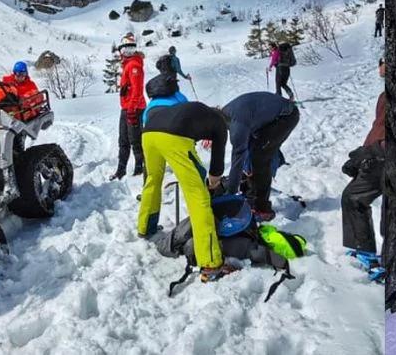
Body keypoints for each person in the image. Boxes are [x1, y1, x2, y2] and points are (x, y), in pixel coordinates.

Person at [137, 101, 237, 282]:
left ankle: (145, 227)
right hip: (174, 135)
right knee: (199, 198)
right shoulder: (220, 124)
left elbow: (194, 160)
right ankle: (211, 262)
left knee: (153, 180)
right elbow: (217, 165)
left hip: (149, 133)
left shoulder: (196, 111)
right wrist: (212, 184)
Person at [220, 92, 300, 221]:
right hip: (270, 116)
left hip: (286, 117)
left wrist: (230, 194)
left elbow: (238, 157)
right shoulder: (226, 113)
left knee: (259, 160)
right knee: (253, 157)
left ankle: (263, 208)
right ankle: (250, 194)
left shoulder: (237, 124)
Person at [342, 58, 386, 279]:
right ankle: (363, 251)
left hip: (387, 160)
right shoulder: (383, 96)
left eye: (383, 62)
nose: (380, 67)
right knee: (352, 197)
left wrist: (371, 151)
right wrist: (362, 154)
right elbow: (378, 129)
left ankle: (389, 263)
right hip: (374, 158)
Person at [111, 34, 146, 181]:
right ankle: (121, 169)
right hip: (126, 108)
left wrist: (132, 109)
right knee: (123, 140)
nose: (127, 52)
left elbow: (137, 90)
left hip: (134, 109)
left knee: (135, 139)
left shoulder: (134, 66)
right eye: (125, 49)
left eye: (131, 49)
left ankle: (139, 167)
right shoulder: (127, 65)